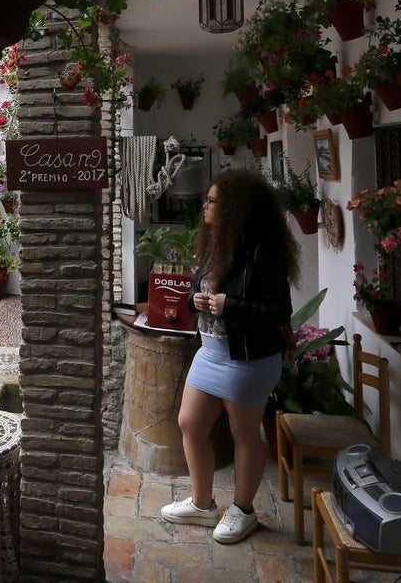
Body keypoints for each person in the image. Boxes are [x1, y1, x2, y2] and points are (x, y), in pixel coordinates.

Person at [159, 169, 299, 544]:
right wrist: (197, 300)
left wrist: (229, 305)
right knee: (189, 422)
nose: (204, 206)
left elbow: (278, 312)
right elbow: (192, 291)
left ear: (235, 207)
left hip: (248, 360)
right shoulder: (214, 243)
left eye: (212, 200)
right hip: (211, 352)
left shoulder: (261, 250)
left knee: (244, 435)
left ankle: (243, 510)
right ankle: (203, 506)